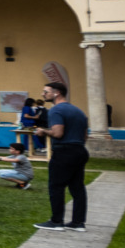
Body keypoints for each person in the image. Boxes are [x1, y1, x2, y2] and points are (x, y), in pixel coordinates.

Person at [34, 79, 89, 231]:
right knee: (77, 188)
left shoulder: (56, 110)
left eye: (46, 92)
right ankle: (78, 223)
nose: (43, 94)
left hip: (64, 151)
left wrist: (43, 131)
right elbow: (85, 136)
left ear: (56, 93)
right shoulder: (78, 111)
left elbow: (58, 133)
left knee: (56, 186)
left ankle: (56, 222)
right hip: (80, 150)